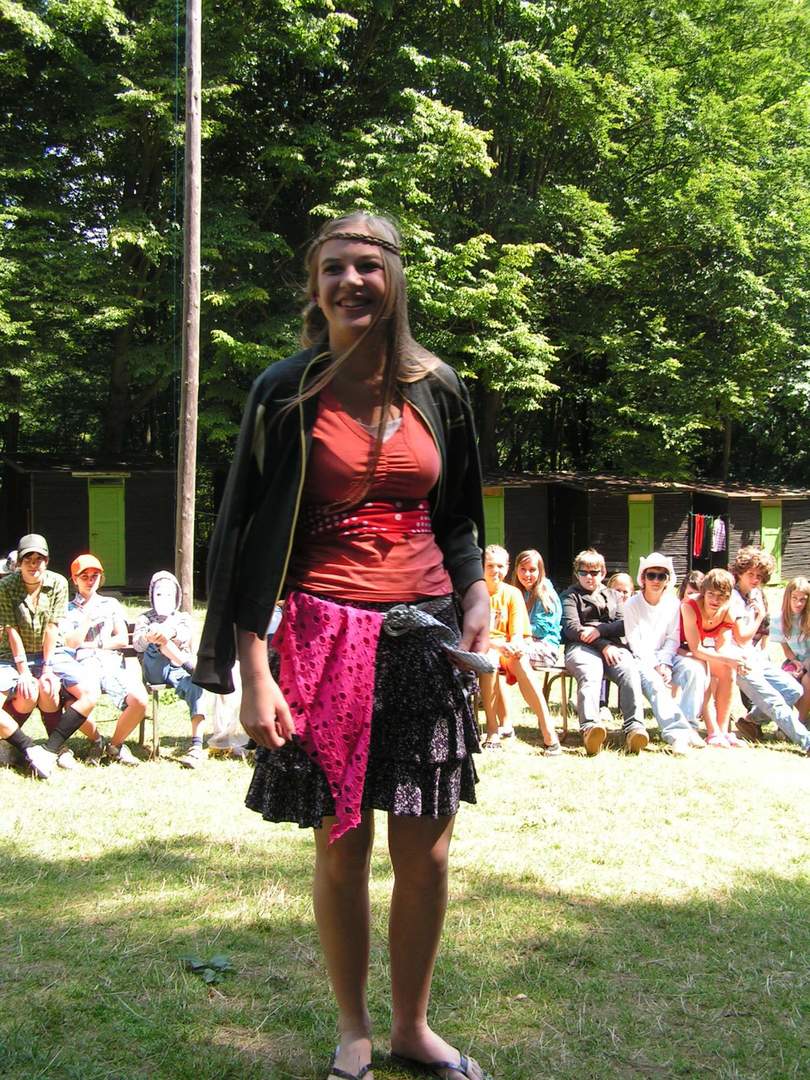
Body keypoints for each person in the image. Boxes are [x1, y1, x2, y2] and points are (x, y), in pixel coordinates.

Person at [195, 213, 493, 1080]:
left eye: (367, 264)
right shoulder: (284, 392)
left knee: (427, 851)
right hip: (325, 637)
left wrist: (475, 591)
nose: (350, 281)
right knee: (340, 841)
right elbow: (244, 536)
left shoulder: (439, 386)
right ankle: (354, 1028)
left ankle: (412, 1027)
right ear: (313, 286)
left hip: (427, 635)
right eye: (332, 267)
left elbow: (460, 515)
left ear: (396, 277)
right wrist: (255, 672)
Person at [0, 533, 98, 778]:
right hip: (12, 655)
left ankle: (51, 749)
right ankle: (27, 747)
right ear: (19, 562)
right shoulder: (5, 586)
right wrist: (23, 671)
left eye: (39, 559)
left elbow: (52, 628)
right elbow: (11, 630)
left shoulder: (58, 583)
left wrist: (47, 668)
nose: (34, 565)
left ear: (47, 561)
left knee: (87, 693)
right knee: (28, 693)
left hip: (51, 652)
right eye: (28, 559)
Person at [61, 554, 148, 765]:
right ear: (75, 579)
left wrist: (95, 644)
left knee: (140, 700)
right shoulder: (66, 609)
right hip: (82, 664)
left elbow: (121, 639)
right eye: (84, 576)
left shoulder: (110, 604)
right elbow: (71, 643)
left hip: (110, 661)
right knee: (73, 704)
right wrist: (87, 619)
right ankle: (97, 741)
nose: (90, 580)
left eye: (95, 576)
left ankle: (115, 746)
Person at [561, 547, 648, 755]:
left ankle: (634, 728)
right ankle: (590, 728)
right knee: (590, 672)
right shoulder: (570, 596)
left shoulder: (614, 595)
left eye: (594, 572)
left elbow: (623, 624)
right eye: (583, 572)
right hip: (581, 646)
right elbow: (572, 628)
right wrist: (602, 644)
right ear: (577, 573)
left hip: (613, 646)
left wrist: (599, 631)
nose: (589, 577)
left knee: (629, 671)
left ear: (603, 572)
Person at [478, 545, 560, 753]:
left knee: (521, 660)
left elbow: (518, 632)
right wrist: (496, 645)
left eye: (500, 566)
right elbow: (472, 633)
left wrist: (515, 646)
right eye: (490, 565)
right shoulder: (474, 593)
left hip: (506, 647)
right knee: (490, 662)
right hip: (483, 647)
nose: (495, 571)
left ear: (507, 568)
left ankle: (548, 731)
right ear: (481, 566)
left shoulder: (513, 593)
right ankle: (492, 730)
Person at [728, 548, 810, 754]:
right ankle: (807, 741)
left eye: (760, 576)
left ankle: (750, 722)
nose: (755, 579)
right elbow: (741, 636)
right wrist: (760, 615)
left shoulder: (754, 593)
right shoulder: (732, 598)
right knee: (774, 701)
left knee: (793, 690)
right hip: (734, 659)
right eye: (751, 574)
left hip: (752, 655)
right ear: (740, 572)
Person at [622, 553, 705, 754]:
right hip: (641, 659)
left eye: (661, 576)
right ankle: (677, 735)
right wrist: (656, 665)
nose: (656, 580)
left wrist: (665, 663)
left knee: (694, 670)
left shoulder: (673, 604)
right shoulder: (632, 604)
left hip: (668, 656)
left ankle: (690, 725)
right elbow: (635, 642)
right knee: (655, 684)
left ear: (668, 579)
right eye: (651, 575)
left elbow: (673, 638)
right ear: (643, 578)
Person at [132, 571, 209, 769]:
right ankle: (189, 665)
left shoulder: (182, 618)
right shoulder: (144, 619)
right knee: (158, 638)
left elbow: (184, 635)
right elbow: (137, 645)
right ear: (152, 594)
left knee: (196, 686)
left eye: (168, 593)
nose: (163, 598)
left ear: (176, 596)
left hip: (178, 671)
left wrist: (170, 632)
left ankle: (196, 746)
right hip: (154, 669)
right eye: (159, 593)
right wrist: (150, 637)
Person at [679, 568, 747, 747]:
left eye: (721, 596)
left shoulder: (728, 611)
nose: (715, 600)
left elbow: (722, 646)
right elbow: (695, 648)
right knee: (705, 668)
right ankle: (712, 731)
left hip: (702, 650)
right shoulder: (689, 606)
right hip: (680, 649)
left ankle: (723, 731)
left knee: (728, 671)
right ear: (703, 592)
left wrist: (736, 660)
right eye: (711, 594)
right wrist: (727, 659)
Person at [511, 549, 562, 669]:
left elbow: (541, 630)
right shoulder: (518, 592)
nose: (527, 574)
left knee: (509, 655)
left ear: (540, 571)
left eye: (532, 570)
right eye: (523, 569)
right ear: (516, 570)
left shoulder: (544, 593)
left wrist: (514, 628)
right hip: (525, 643)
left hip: (546, 649)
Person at [771, 576, 810, 724]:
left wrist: (806, 663)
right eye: (794, 598)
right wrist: (795, 661)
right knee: (788, 679)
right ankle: (785, 723)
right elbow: (786, 648)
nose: (798, 603)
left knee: (807, 679)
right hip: (795, 659)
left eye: (803, 600)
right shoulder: (779, 619)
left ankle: (801, 722)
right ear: (788, 597)